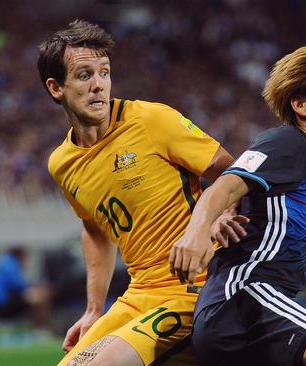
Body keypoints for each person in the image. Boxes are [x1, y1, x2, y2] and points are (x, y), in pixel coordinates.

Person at [38, 20, 233, 366]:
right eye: (85, 75)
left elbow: (231, 171)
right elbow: (95, 230)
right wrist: (94, 308)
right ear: (56, 88)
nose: (99, 85)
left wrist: (224, 214)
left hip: (193, 289)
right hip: (138, 294)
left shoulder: (151, 120)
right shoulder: (62, 164)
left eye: (105, 72)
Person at [170, 44, 306, 366]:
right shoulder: (288, 143)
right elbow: (225, 186)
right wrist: (196, 233)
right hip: (243, 300)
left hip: (256, 309)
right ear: (301, 104)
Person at [0, 246, 50, 327]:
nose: (26, 261)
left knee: (36, 297)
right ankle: (41, 328)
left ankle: (38, 327)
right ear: (19, 255)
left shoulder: (4, 261)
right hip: (3, 304)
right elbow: (17, 285)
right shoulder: (9, 264)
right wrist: (33, 286)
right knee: (39, 299)